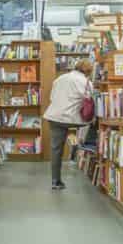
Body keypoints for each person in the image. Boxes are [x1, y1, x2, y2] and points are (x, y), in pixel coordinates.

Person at [43, 58, 94, 190]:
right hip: (71, 118)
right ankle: (82, 153)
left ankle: (56, 181)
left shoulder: (60, 78)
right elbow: (89, 100)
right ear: (88, 71)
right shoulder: (85, 82)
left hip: (54, 116)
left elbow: (52, 97)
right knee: (91, 128)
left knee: (56, 149)